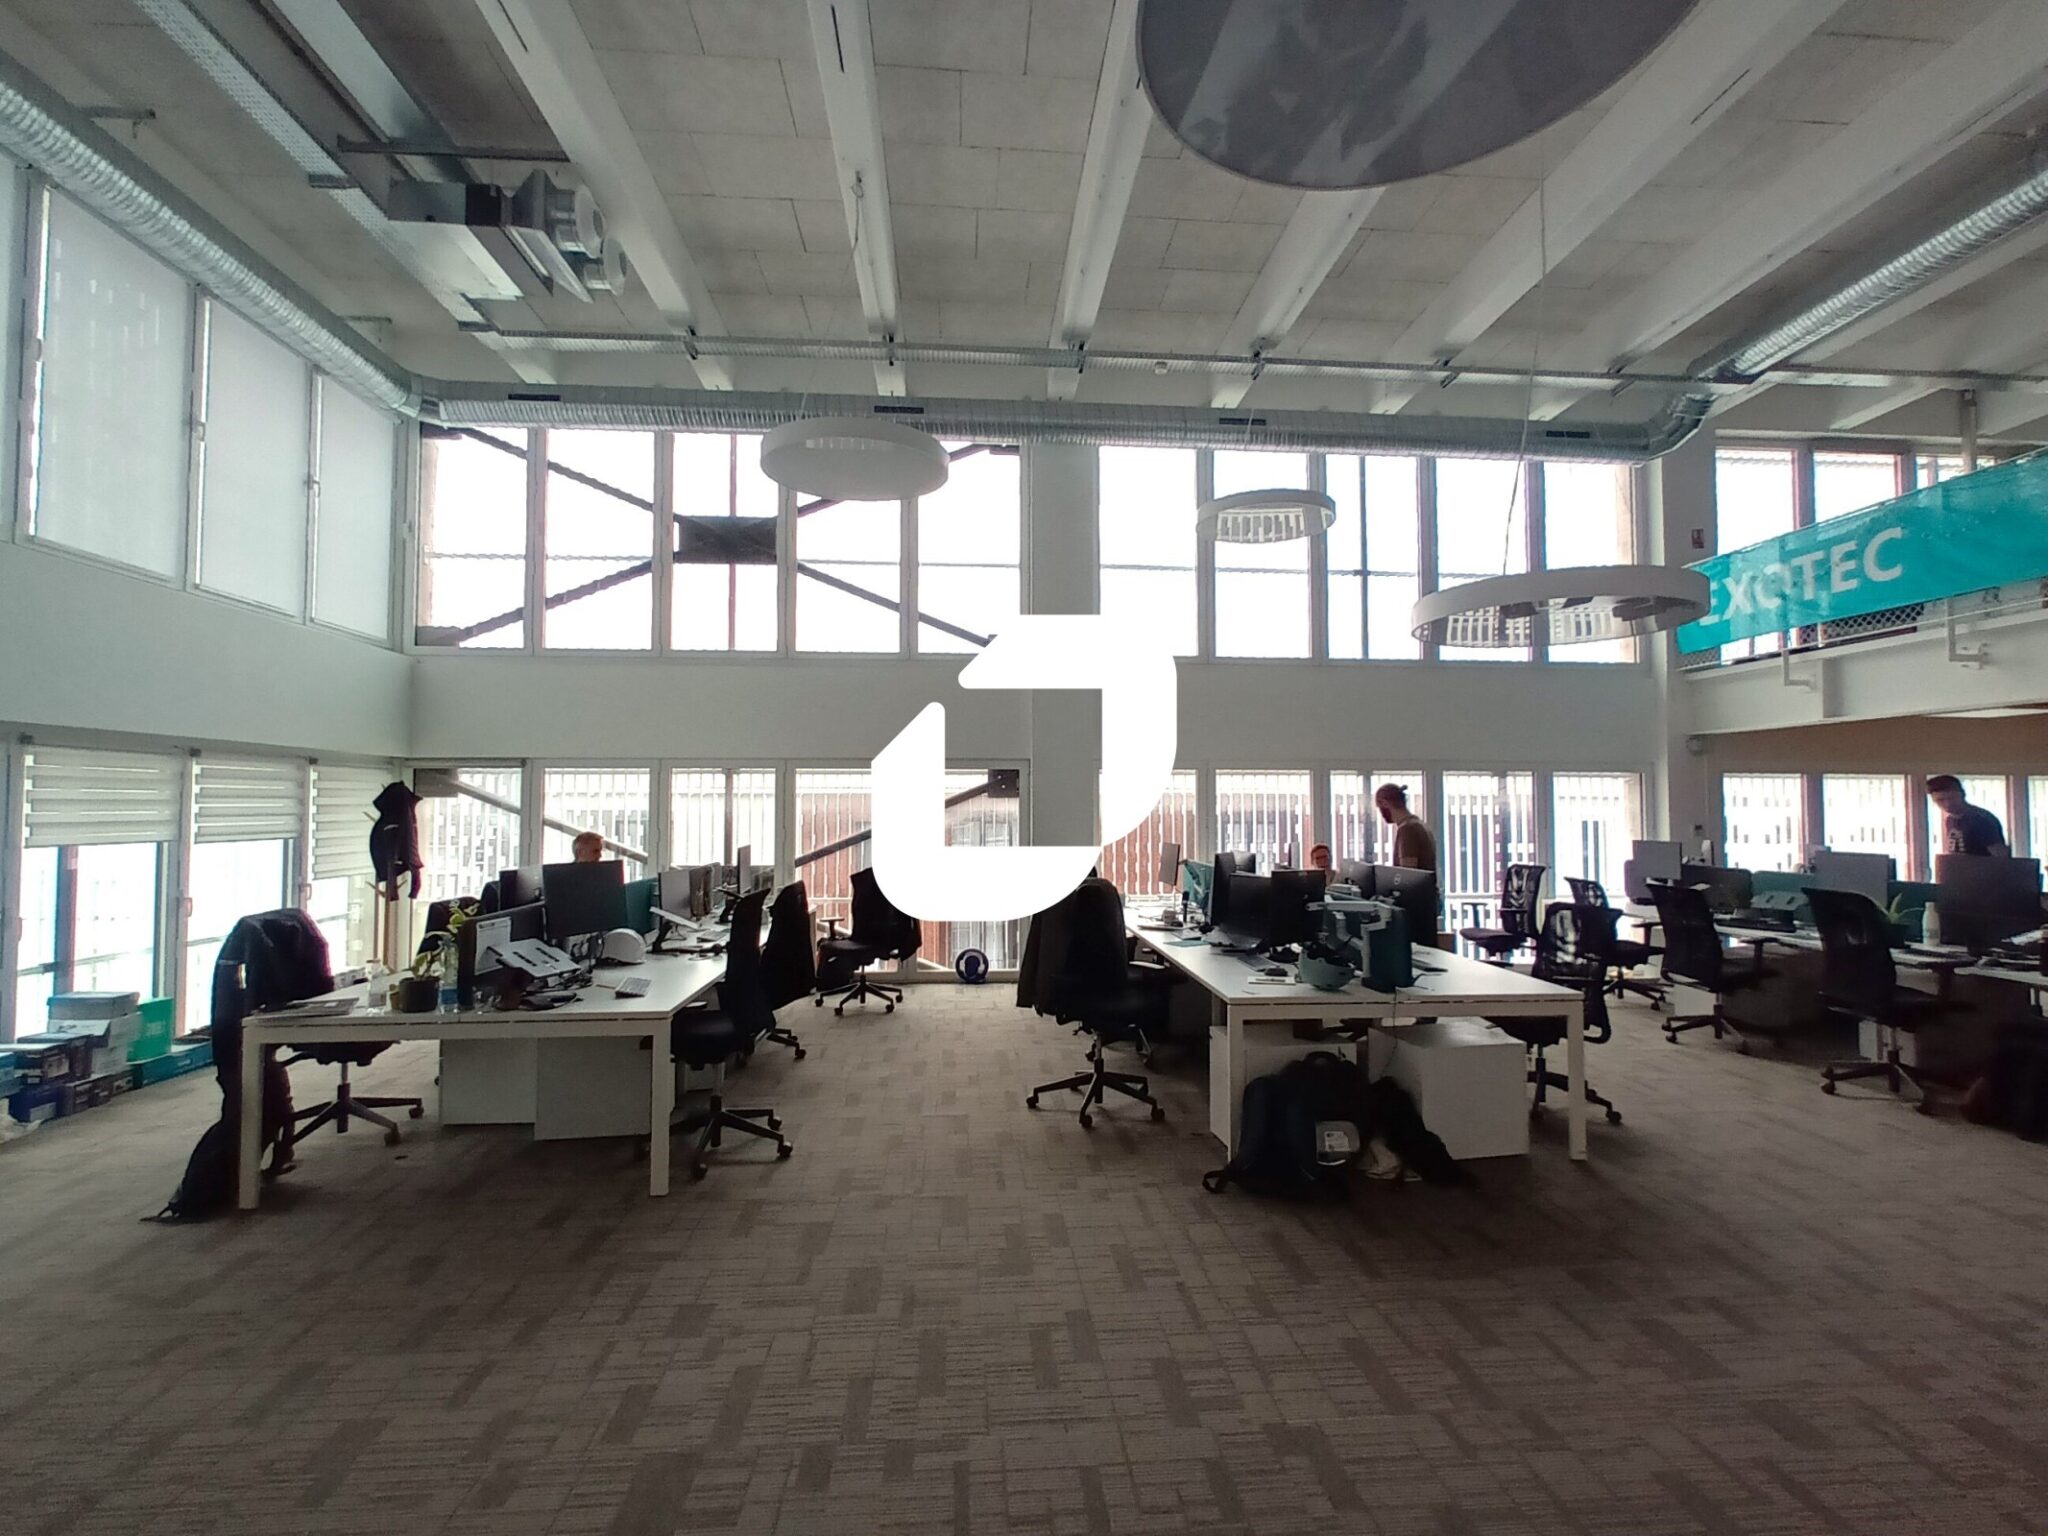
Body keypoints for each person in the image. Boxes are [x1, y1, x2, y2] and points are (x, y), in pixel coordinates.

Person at [1925, 775, 2009, 857]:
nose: (1948, 804)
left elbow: (2000, 856)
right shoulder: (1950, 820)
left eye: (1952, 798)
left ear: (1962, 795)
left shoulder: (1981, 819)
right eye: (1940, 800)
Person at [1374, 784, 1438, 874]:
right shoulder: (1419, 824)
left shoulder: (1407, 829)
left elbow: (1407, 875)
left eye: (1379, 807)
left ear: (1385, 803)